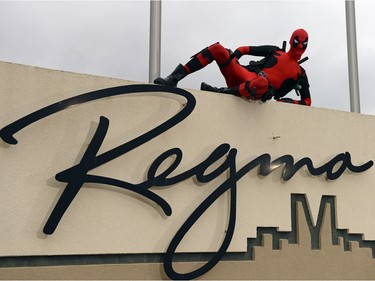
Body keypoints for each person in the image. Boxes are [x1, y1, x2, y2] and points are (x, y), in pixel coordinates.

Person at [154, 28, 311, 106]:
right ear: (291, 41)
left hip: (257, 89)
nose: (300, 45)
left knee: (262, 83)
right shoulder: (275, 51)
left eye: (304, 43)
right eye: (298, 41)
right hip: (244, 74)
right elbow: (244, 49)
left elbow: (307, 101)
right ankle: (174, 78)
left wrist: (287, 101)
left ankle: (221, 92)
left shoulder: (301, 73)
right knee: (217, 49)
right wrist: (232, 58)